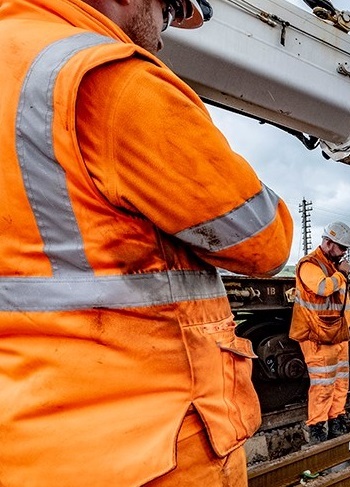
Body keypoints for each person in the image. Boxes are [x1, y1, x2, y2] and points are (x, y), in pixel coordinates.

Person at [0, 0, 294, 483]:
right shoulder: (108, 79)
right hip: (154, 449)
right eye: (169, 10)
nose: (163, 33)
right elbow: (264, 241)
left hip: (26, 450)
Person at [290, 221, 350, 443]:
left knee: (340, 381)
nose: (344, 253)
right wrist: (341, 275)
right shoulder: (309, 264)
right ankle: (317, 427)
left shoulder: (333, 266)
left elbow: (339, 298)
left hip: (337, 333)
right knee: (322, 383)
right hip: (318, 335)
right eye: (342, 248)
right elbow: (323, 288)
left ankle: (336, 418)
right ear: (329, 243)